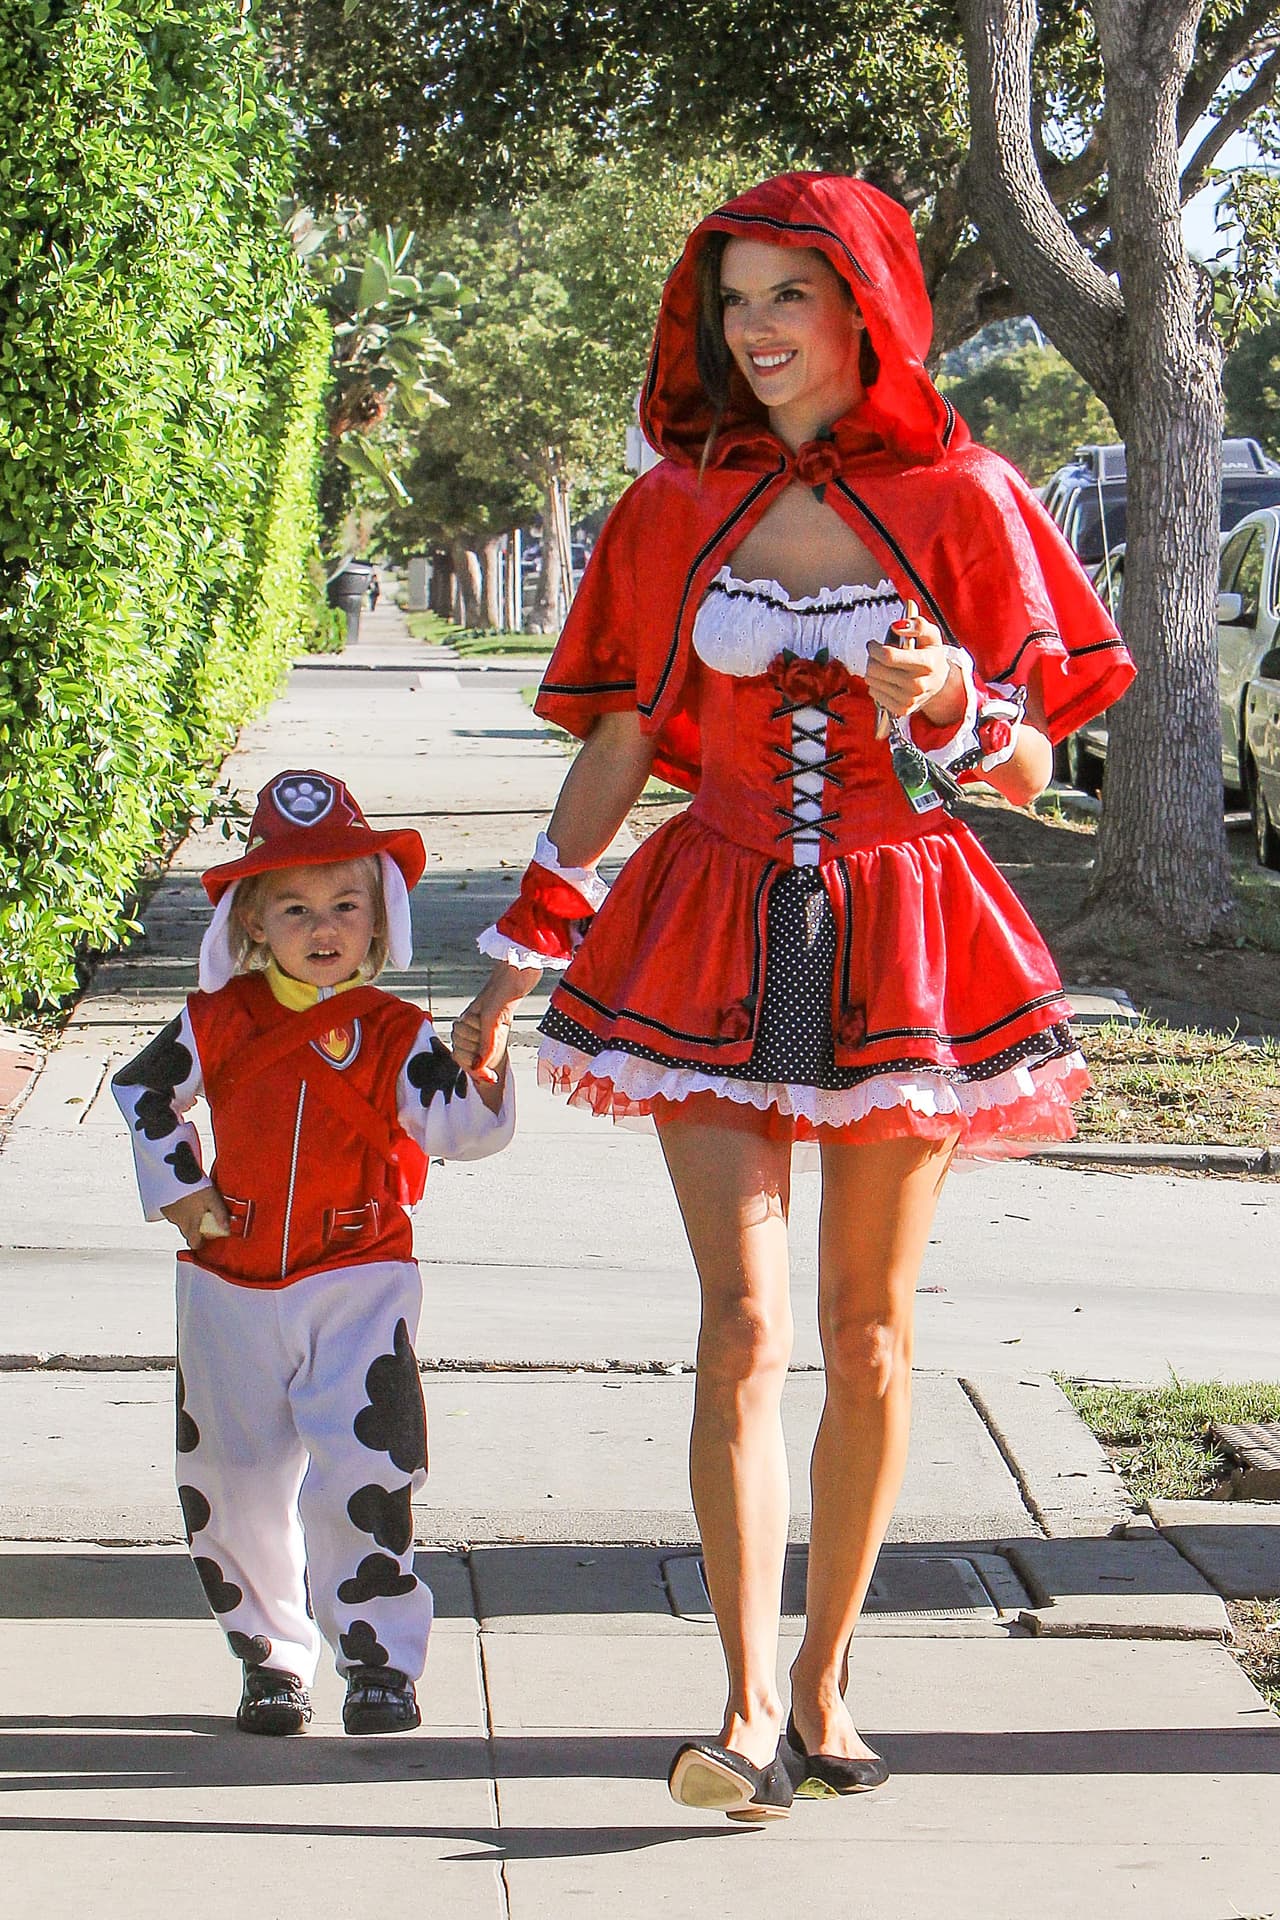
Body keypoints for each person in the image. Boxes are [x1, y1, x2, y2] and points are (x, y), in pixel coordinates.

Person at [453, 173, 1134, 1822]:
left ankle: (831, 1677)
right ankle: (747, 1703)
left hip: (904, 926)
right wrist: (510, 968)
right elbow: (619, 740)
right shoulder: (672, 511)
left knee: (869, 1337)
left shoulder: (968, 498)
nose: (755, 333)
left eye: (789, 299)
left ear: (866, 312)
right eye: (734, 301)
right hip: (712, 914)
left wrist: (957, 705)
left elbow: (1032, 775)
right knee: (741, 1330)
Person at [114, 769, 514, 1738]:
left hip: (359, 1278)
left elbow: (461, 1131)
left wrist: (484, 1055)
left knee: (365, 1469)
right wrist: (183, 1191)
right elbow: (143, 1091)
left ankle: (376, 1658)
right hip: (230, 1284)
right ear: (253, 921)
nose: (321, 925)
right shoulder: (216, 1021)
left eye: (345, 905)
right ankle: (271, 1658)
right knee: (233, 1479)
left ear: (379, 922)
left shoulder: (395, 1032)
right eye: (293, 907)